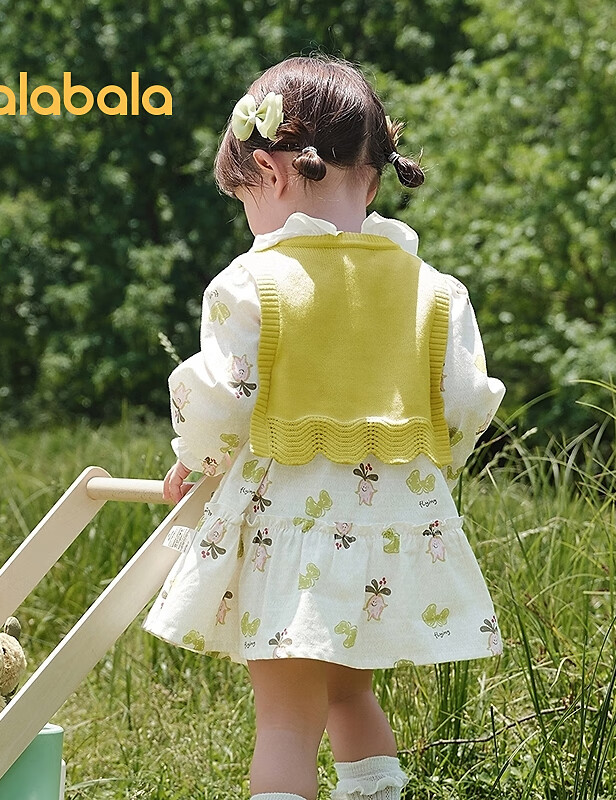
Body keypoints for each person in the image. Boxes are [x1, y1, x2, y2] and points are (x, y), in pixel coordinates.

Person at [142, 55, 506, 800]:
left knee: (285, 721)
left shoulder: (252, 283)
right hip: (388, 534)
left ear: (270, 174)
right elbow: (465, 403)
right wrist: (432, 465)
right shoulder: (435, 292)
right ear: (372, 182)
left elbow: (221, 400)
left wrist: (199, 460)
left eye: (244, 199)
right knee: (350, 696)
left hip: (289, 535)